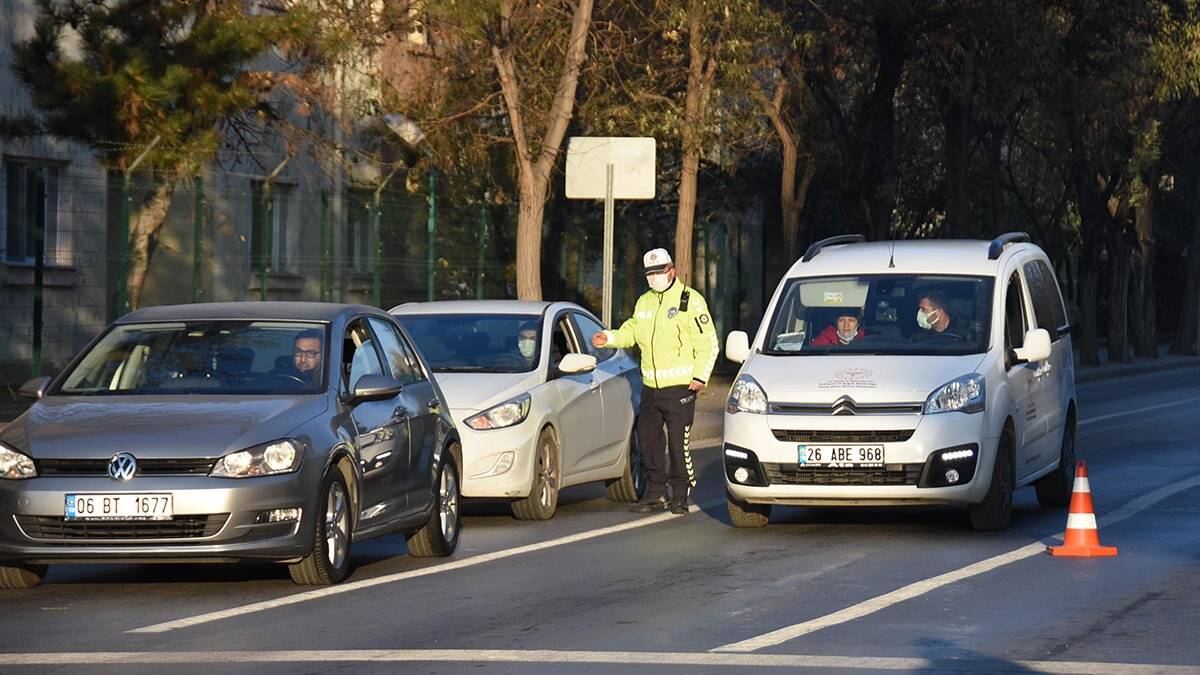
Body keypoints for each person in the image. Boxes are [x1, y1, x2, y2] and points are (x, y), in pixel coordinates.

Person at [591, 248, 719, 515]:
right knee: (647, 439)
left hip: (681, 387)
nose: (654, 278)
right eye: (649, 273)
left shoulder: (690, 300)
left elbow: (708, 343)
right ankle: (655, 494)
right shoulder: (645, 301)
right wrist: (610, 338)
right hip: (651, 387)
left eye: (658, 272)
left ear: (671, 270)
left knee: (677, 443)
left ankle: (680, 495)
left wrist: (700, 377)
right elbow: (632, 331)